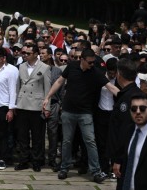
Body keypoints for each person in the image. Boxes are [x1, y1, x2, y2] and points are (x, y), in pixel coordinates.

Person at [42, 48, 119, 183]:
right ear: (82, 60)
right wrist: (48, 96)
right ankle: (64, 168)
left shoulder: (95, 71)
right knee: (66, 141)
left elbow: (110, 87)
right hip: (68, 111)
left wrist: (127, 96)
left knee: (90, 141)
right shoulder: (72, 67)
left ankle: (96, 171)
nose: (91, 65)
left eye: (93, 62)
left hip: (85, 113)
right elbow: (60, 81)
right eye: (89, 62)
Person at [14, 44, 51, 172]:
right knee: (22, 136)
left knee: (37, 136)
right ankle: (23, 160)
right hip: (22, 104)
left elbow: (48, 89)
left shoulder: (45, 68)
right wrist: (14, 104)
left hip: (36, 105)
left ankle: (37, 160)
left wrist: (47, 107)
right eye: (24, 53)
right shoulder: (21, 67)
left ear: (36, 54)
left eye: (28, 53)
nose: (25, 55)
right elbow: (17, 86)